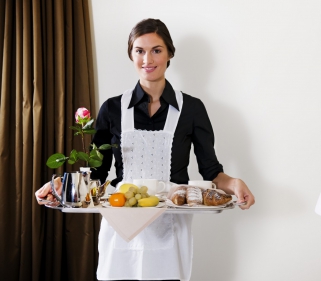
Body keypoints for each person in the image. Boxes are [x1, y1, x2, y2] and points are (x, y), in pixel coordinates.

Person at [35, 18, 255, 281]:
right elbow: (98, 172)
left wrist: (234, 182)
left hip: (171, 225)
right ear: (131, 54)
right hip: (120, 221)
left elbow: (211, 170)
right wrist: (62, 185)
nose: (147, 59)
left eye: (156, 50)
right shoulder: (112, 109)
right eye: (139, 50)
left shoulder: (192, 109)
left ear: (169, 54)